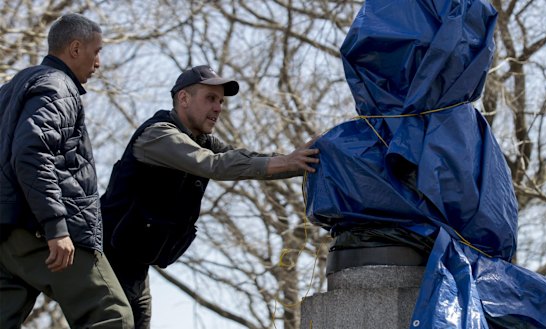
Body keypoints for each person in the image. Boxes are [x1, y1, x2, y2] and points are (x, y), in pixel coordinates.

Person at [100, 65, 320, 328]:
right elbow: (213, 165)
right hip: (105, 262)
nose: (218, 108)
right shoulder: (158, 135)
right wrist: (286, 162)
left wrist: (302, 163)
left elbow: (244, 160)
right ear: (183, 98)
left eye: (221, 101)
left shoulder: (202, 141)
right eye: (210, 99)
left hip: (137, 266)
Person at [0, 13, 134, 328]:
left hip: (7, 237)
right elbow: (31, 152)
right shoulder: (58, 85)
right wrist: (56, 227)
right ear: (75, 48)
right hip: (40, 229)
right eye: (96, 51)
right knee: (111, 316)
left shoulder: (11, 88)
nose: (98, 62)